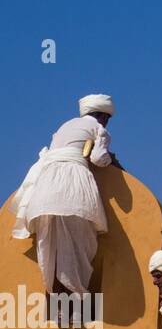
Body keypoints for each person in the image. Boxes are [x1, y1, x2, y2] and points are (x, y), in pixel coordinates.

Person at [10, 94, 119, 295]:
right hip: (73, 185)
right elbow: (98, 158)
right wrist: (113, 160)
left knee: (50, 244)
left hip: (45, 186)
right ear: (103, 117)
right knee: (80, 243)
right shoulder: (99, 130)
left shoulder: (64, 126)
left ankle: (56, 297)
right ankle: (75, 298)